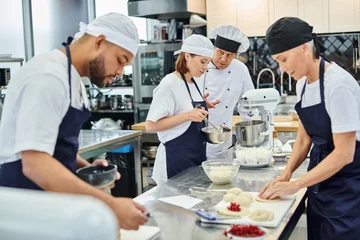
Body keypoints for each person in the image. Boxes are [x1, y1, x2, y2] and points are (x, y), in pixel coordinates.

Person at [0, 13, 147, 230]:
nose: (119, 72)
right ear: (99, 42)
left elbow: (53, 147)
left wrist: (87, 169)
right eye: (121, 60)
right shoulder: (47, 75)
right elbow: (35, 164)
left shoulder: (73, 81)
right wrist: (111, 205)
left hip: (50, 203)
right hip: (25, 205)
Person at [259, 17, 360, 239]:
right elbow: (304, 139)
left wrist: (296, 185)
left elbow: (344, 154)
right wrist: (286, 174)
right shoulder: (302, 83)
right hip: (319, 181)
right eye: (277, 61)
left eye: (283, 59)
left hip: (348, 185)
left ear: (304, 48)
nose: (282, 69)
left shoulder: (337, 85)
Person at [145, 34, 214, 185]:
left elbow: (183, 109)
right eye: (203, 61)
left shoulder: (193, 83)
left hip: (195, 159)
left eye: (208, 62)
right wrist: (187, 115)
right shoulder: (169, 84)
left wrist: (204, 106)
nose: (205, 67)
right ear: (187, 56)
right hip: (175, 162)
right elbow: (150, 126)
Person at [195, 25, 257, 160]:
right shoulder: (199, 67)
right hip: (195, 140)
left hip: (222, 141)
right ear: (213, 49)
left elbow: (249, 104)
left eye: (229, 55)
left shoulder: (240, 69)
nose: (223, 59)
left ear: (235, 55)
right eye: (220, 52)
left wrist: (254, 136)